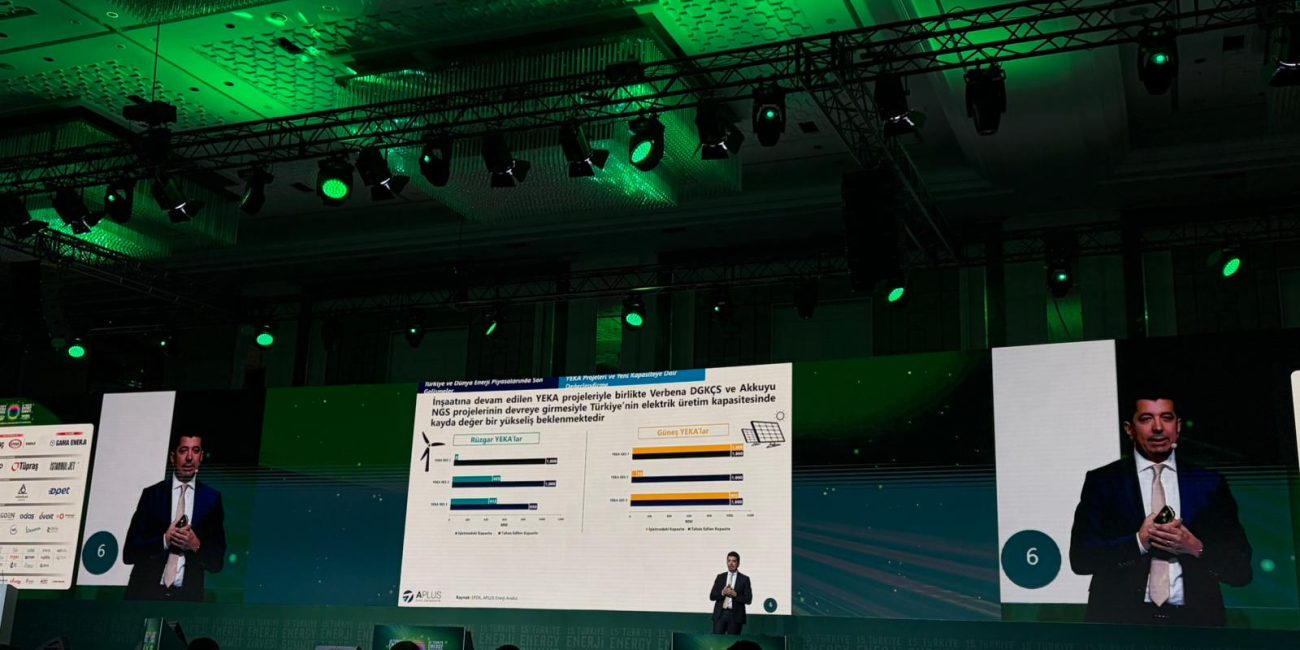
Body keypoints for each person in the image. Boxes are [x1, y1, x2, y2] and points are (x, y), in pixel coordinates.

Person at [1069, 396, 1252, 626]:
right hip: (1120, 624)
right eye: (1146, 419)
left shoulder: (1209, 484)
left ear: (1178, 426)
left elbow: (1241, 570)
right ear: (1129, 429)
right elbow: (1081, 559)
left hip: (1196, 625)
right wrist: (1138, 542)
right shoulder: (1103, 481)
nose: (1158, 427)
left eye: (1166, 418)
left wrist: (1195, 548)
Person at [124, 433, 227, 601]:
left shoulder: (211, 499)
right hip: (144, 596)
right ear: (173, 457)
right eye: (183, 450)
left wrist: (195, 546)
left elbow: (216, 563)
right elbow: (129, 553)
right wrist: (165, 540)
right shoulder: (152, 495)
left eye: (195, 451)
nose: (189, 457)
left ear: (201, 457)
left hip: (186, 601)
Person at [709, 551, 753, 634]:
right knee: (717, 640)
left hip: (735, 617)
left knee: (733, 640)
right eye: (729, 561)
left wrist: (736, 595)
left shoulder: (744, 579)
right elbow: (712, 596)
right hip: (720, 615)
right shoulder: (720, 577)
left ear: (738, 563)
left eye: (734, 561)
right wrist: (722, 592)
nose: (731, 563)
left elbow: (748, 599)